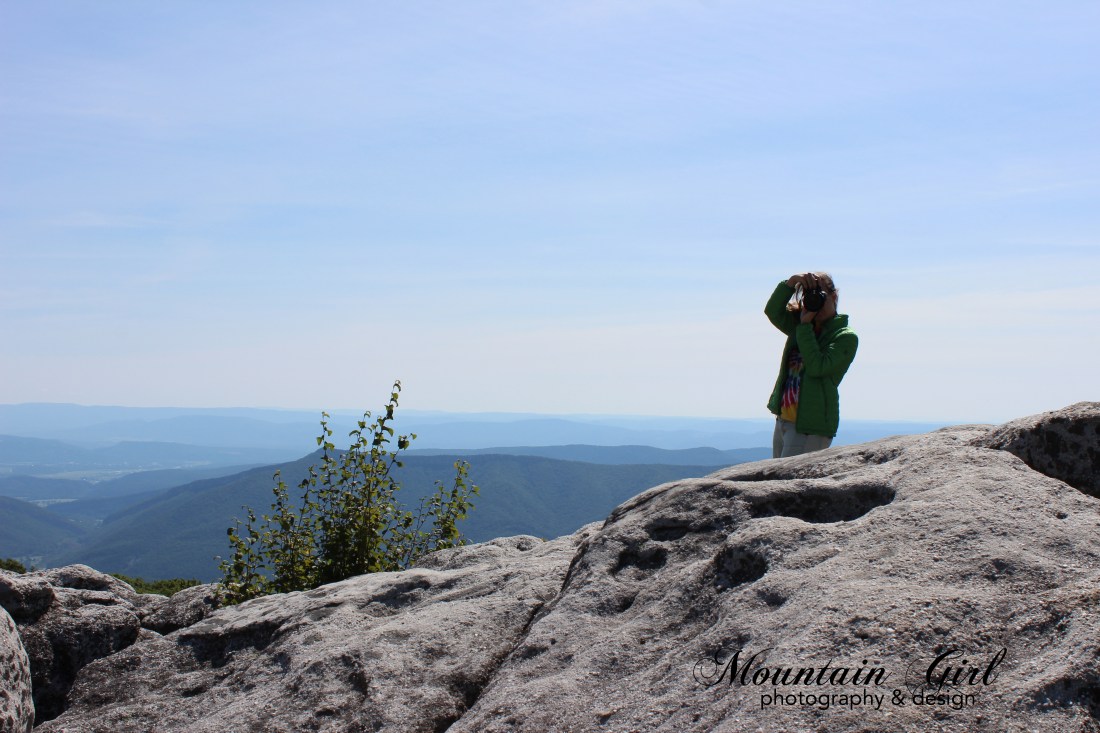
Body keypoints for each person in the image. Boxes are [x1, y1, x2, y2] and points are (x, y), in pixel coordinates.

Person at [765, 272, 858, 458]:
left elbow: (818, 367)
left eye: (821, 295)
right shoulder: (800, 325)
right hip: (784, 419)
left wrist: (805, 326)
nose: (817, 302)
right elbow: (772, 311)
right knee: (777, 475)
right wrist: (791, 283)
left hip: (810, 427)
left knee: (788, 477)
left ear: (834, 296)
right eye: (810, 296)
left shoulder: (844, 336)